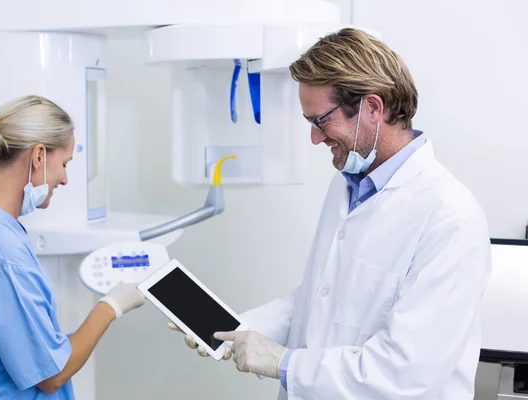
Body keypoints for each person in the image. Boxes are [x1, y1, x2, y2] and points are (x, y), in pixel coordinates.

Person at [170, 28, 492, 399]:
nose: (315, 138)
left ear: (372, 108)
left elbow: (406, 370)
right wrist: (239, 330)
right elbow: (318, 300)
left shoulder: (450, 217)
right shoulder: (347, 186)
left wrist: (286, 363)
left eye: (320, 121)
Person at [0, 95, 145, 399]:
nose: (64, 179)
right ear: (38, 156)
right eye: (64, 163)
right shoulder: (1, 249)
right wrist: (111, 306)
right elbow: (51, 374)